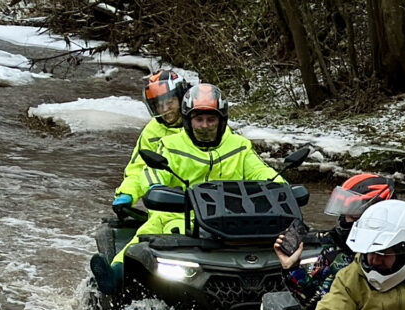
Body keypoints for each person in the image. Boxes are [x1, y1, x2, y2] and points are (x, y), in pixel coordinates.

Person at [91, 83, 282, 295]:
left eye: (211, 119)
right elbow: (150, 173)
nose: (205, 125)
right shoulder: (171, 146)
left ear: (222, 120)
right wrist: (138, 192)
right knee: (145, 237)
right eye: (198, 119)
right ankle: (115, 274)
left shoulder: (240, 146)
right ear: (188, 121)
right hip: (178, 217)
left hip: (234, 220)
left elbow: (263, 173)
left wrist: (284, 191)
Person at [273, 173, 394, 310]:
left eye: (352, 215)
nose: (345, 221)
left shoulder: (399, 254)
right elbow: (316, 304)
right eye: (345, 214)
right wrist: (291, 268)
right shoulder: (334, 251)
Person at [111, 69, 190, 217]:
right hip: (166, 206)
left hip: (204, 202)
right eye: (160, 105)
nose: (165, 110)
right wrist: (127, 194)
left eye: (170, 102)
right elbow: (138, 168)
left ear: (181, 98)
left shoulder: (201, 123)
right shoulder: (152, 131)